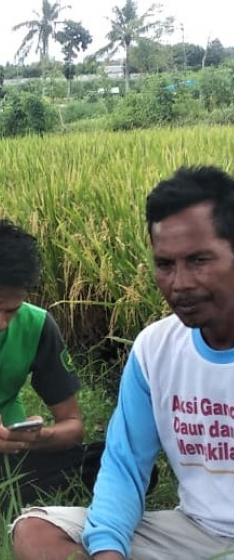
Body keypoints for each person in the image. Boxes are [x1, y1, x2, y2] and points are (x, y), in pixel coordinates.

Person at [12, 166, 234, 560]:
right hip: (197, 531)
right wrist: (108, 550)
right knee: (37, 532)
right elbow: (124, 467)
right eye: (165, 264)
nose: (179, 283)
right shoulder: (153, 350)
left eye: (199, 260)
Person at [0, 219, 105, 512]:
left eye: (10, 310)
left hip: (11, 457)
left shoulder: (37, 326)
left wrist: (37, 438)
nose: (2, 323)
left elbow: (72, 426)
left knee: (103, 461)